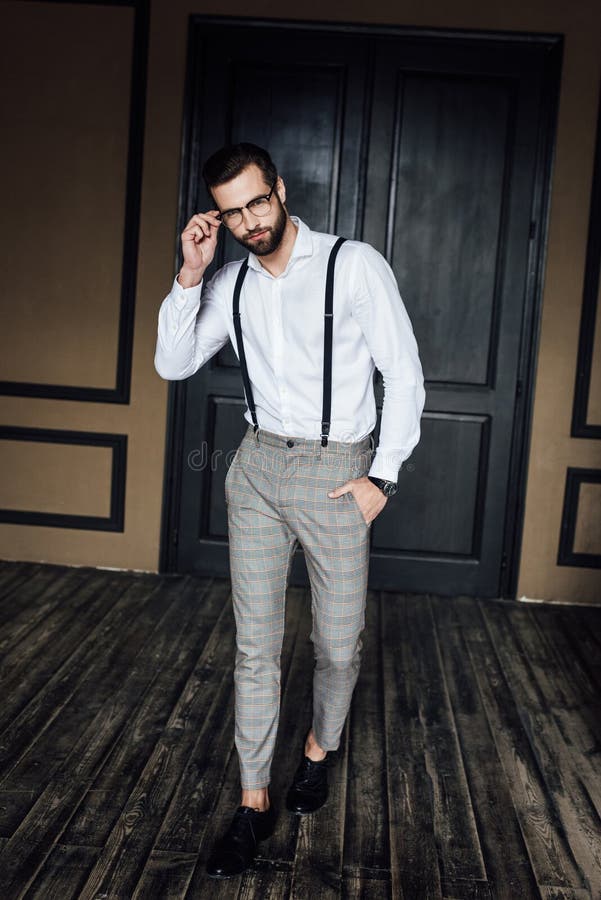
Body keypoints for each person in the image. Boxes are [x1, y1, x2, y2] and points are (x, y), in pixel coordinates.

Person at [154, 142, 425, 879]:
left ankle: (317, 750)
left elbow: (404, 373)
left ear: (280, 189)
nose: (248, 221)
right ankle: (251, 803)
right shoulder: (232, 282)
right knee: (255, 647)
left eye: (257, 202)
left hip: (339, 472)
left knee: (338, 646)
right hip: (258, 469)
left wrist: (383, 478)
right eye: (232, 211)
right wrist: (189, 275)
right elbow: (172, 364)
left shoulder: (352, 264)